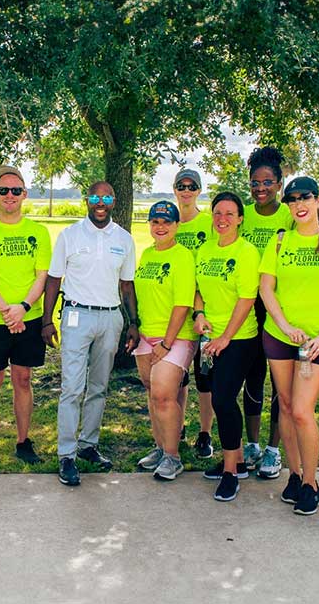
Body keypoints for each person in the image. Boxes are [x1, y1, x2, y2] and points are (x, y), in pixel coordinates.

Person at [258, 176, 319, 516]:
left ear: (317, 200)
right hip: (280, 336)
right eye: (292, 200)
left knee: (301, 410)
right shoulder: (280, 241)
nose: (298, 204)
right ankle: (295, 476)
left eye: (305, 197)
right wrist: (285, 326)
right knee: (284, 406)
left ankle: (312, 483)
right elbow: (266, 288)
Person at [42, 181, 139, 486]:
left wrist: (133, 322)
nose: (100, 202)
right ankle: (67, 455)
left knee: (99, 386)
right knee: (72, 387)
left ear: (113, 201)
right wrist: (46, 321)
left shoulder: (123, 239)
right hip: (75, 315)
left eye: (107, 197)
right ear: (87, 200)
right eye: (95, 197)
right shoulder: (70, 235)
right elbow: (54, 280)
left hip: (110, 319)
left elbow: (127, 285)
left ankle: (88, 445)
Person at [0, 166, 52, 466]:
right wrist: (7, 311)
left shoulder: (38, 232)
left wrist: (23, 308)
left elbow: (41, 275)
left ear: (24, 194)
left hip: (27, 319)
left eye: (16, 191)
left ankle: (23, 440)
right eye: (3, 191)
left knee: (23, 377)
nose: (10, 196)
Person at [193, 192, 261, 501]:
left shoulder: (246, 252)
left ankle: (231, 473)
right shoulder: (205, 250)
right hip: (209, 339)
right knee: (216, 398)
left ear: (240, 218)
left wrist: (225, 338)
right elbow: (197, 290)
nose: (222, 219)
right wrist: (199, 315)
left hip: (240, 340)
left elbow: (247, 299)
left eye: (229, 214)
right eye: (218, 213)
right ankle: (239, 461)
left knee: (222, 400)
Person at [237, 146, 294, 480]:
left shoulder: (289, 216)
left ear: (279, 183)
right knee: (252, 377)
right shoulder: (243, 215)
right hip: (249, 307)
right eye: (255, 182)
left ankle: (274, 450)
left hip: (280, 308)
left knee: (280, 382)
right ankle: (253, 444)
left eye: (267, 182)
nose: (261, 188)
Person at [133, 201, 196, 480]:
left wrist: (167, 343)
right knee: (151, 392)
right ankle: (160, 447)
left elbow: (182, 305)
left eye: (166, 222)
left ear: (176, 226)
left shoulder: (182, 256)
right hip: (147, 335)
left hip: (176, 336)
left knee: (163, 394)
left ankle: (173, 456)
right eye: (155, 222)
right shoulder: (146, 254)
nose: (160, 227)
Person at [171, 168, 215, 459]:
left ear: (199, 190)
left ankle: (205, 433)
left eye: (192, 186)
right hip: (175, 309)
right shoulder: (170, 223)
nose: (186, 191)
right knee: (177, 375)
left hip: (205, 311)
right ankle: (177, 424)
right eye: (181, 186)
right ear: (174, 189)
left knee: (204, 374)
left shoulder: (209, 223)